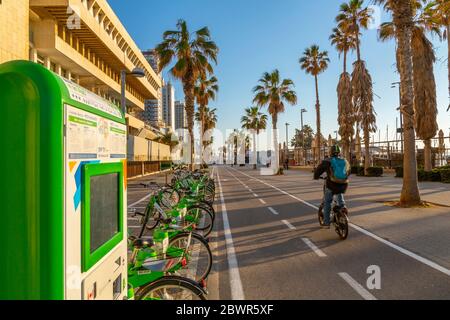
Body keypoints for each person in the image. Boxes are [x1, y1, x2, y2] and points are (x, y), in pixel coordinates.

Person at [314, 145, 350, 229]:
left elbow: (318, 170)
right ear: (339, 152)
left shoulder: (327, 161)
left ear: (330, 152)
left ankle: (326, 223)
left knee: (327, 202)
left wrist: (316, 176)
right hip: (343, 184)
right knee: (339, 192)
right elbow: (349, 171)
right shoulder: (344, 161)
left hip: (331, 185)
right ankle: (343, 207)